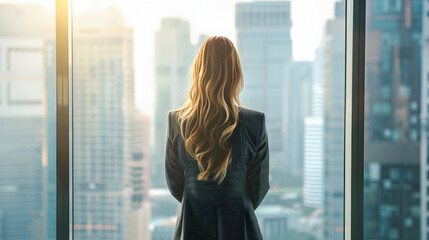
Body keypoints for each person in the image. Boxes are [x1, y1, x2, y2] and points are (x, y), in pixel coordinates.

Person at [164, 36, 270, 240]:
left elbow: (175, 185)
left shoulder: (176, 121)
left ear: (198, 71)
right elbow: (259, 187)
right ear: (236, 74)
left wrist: (200, 203)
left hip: (192, 227)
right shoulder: (255, 123)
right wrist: (236, 203)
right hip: (240, 228)